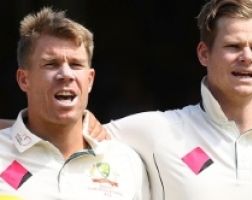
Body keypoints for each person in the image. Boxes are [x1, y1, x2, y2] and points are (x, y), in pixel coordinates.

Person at [102, 0, 252, 199]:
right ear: (204, 54)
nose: (247, 57)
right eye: (233, 46)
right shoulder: (160, 130)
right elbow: (79, 135)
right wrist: (86, 122)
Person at [0, 7, 149, 200]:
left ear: (90, 80)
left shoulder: (126, 162)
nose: (66, 75)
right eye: (51, 64)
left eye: (76, 65)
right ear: (23, 80)